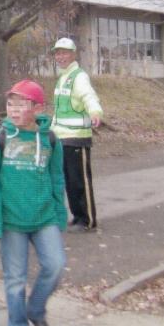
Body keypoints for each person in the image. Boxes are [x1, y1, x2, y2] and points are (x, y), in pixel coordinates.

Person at [0, 79, 67, 326]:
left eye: (22, 104)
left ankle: (36, 309)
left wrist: (60, 214)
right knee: (15, 279)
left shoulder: (51, 139)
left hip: (44, 217)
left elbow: (57, 178)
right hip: (12, 221)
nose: (15, 110)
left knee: (55, 265)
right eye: (10, 104)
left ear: (38, 108)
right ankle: (18, 323)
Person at [51, 37, 103, 233]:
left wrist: (95, 112)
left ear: (73, 54)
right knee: (69, 181)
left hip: (77, 138)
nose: (60, 56)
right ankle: (77, 215)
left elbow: (89, 96)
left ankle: (88, 218)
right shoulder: (63, 77)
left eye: (64, 52)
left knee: (80, 180)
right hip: (62, 138)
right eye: (57, 53)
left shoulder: (79, 76)